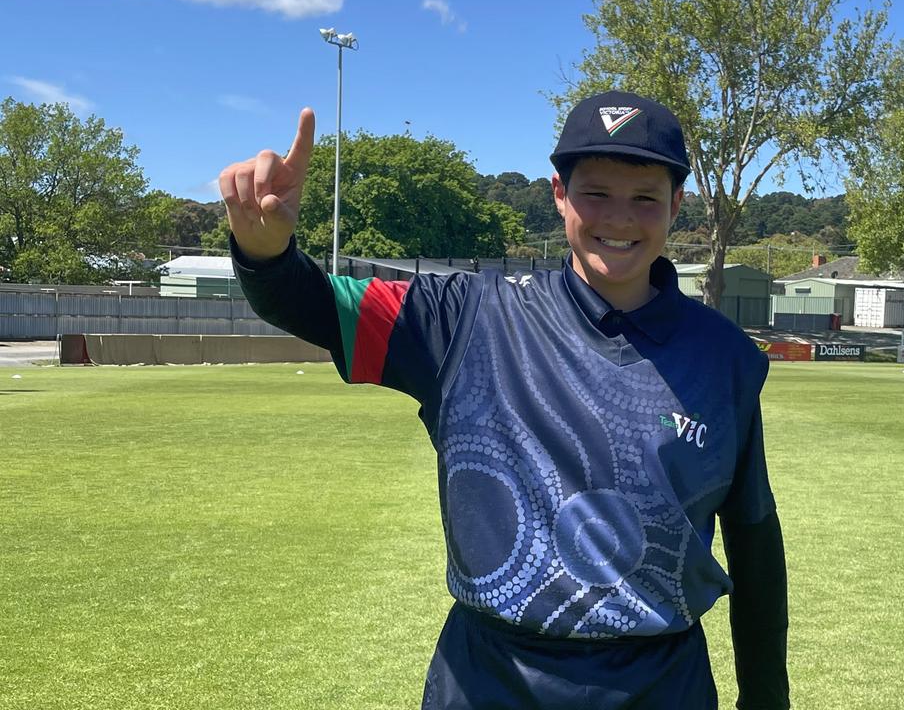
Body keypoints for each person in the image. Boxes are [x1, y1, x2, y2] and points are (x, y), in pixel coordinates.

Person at [218, 91, 789, 710]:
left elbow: (754, 536)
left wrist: (766, 695)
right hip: (489, 679)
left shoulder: (725, 357)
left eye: (645, 198)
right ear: (559, 195)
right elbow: (313, 306)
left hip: (661, 683)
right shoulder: (466, 317)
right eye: (595, 192)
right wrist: (266, 253)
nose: (619, 219)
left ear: (676, 205)